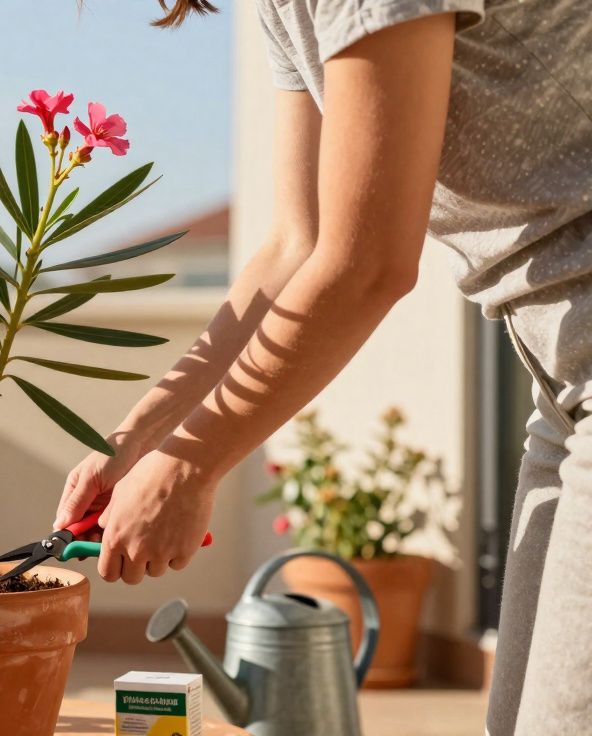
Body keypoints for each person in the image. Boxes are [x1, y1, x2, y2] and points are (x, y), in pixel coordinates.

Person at [53, 1, 591, 733]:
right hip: (562, 387)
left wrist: (189, 466)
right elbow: (295, 246)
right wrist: (137, 438)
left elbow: (367, 263)